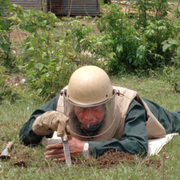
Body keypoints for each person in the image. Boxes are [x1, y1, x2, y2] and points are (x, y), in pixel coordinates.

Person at [19, 65, 180, 161]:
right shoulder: (65, 97)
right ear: (72, 104)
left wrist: (85, 148)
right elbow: (24, 135)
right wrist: (43, 122)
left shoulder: (130, 106)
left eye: (95, 108)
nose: (88, 116)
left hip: (153, 114)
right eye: (82, 109)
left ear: (107, 105)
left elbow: (138, 146)